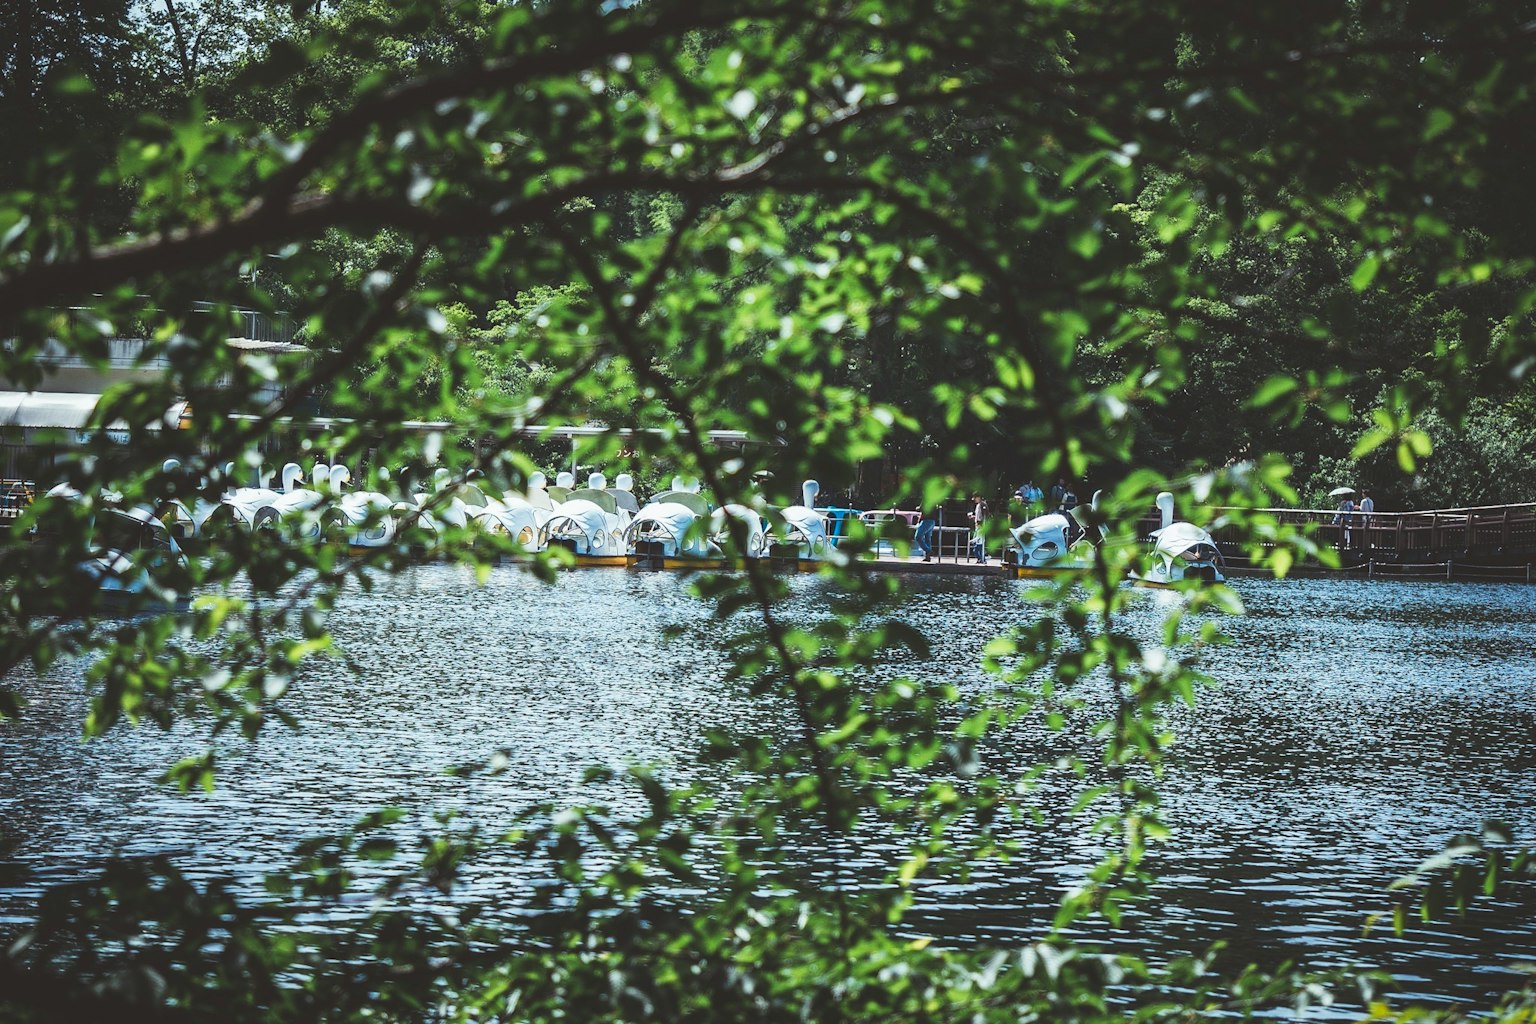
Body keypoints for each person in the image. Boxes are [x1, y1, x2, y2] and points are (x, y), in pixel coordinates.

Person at [968, 494, 989, 563]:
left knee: (978, 544)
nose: (974, 499)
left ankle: (982, 558)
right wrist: (974, 517)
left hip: (981, 527)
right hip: (978, 526)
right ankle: (981, 558)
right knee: (978, 544)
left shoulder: (983, 505)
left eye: (975, 498)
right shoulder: (978, 505)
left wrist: (981, 524)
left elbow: (984, 516)